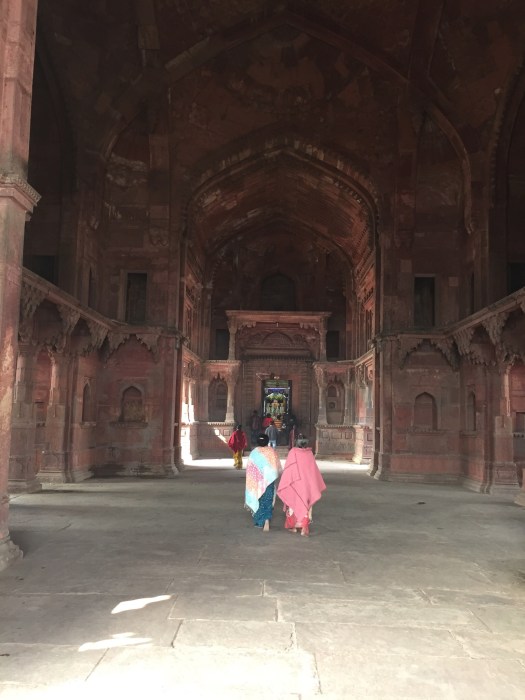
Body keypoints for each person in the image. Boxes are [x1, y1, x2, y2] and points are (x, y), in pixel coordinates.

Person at [277, 435, 326, 537]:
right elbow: (313, 470)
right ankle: (304, 527)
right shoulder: (309, 454)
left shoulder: (293, 452)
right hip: (307, 484)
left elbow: (288, 468)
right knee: (306, 504)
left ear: (296, 442)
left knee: (293, 504)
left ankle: (294, 527)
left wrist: (286, 481)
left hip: (295, 483)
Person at [244, 433, 282, 531]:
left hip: (257, 482)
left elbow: (250, 469)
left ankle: (260, 522)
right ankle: (267, 520)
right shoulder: (271, 451)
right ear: (267, 441)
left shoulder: (254, 453)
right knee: (268, 500)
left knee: (259, 500)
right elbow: (276, 467)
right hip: (269, 481)